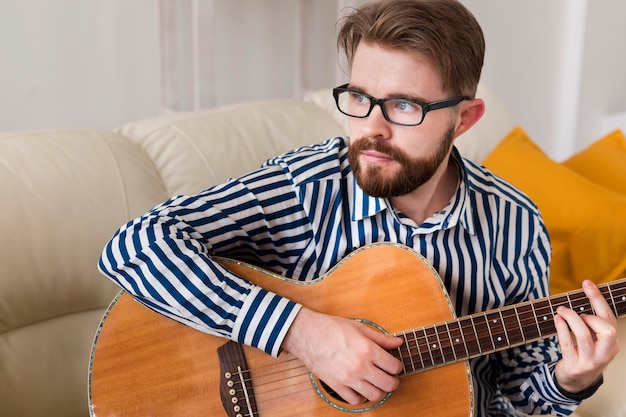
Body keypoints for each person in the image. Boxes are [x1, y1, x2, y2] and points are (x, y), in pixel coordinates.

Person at [98, 0, 619, 415]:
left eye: (403, 106)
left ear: (464, 119)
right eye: (359, 97)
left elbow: (513, 389)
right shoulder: (308, 185)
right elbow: (134, 247)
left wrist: (569, 379)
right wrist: (300, 332)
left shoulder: (516, 224)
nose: (371, 127)